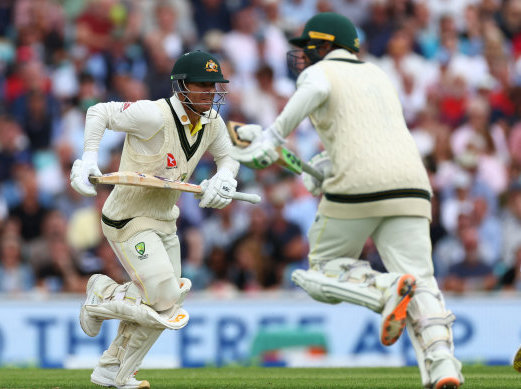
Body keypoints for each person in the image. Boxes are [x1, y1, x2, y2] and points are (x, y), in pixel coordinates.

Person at [230, 13, 463, 389]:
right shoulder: (378, 75)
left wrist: (273, 137)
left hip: (358, 184)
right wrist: (323, 163)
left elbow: (314, 92)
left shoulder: (320, 74)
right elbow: (369, 134)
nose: (302, 56)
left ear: (326, 45)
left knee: (318, 270)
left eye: (308, 47)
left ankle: (386, 289)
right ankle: (443, 365)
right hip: (413, 184)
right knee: (422, 280)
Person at [70, 50, 239, 389]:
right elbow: (99, 111)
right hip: (128, 218)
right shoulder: (154, 114)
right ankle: (101, 294)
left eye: (214, 85)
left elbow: (229, 158)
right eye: (202, 85)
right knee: (163, 297)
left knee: (167, 305)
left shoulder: (212, 123)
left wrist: (224, 180)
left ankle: (113, 371)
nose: (210, 92)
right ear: (181, 86)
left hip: (165, 220)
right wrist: (88, 158)